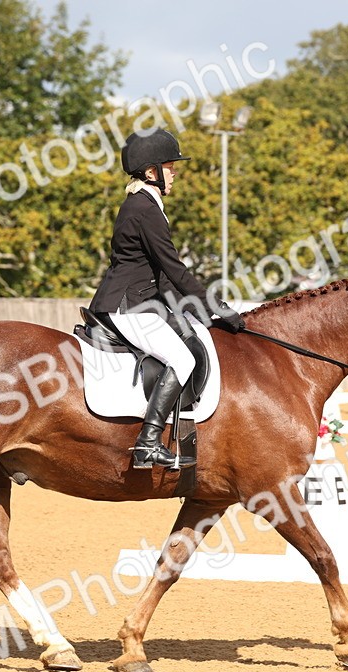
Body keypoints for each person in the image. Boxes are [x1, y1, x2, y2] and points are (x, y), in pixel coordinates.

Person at [89, 128, 245, 470]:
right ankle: (148, 442)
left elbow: (162, 277)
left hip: (138, 300)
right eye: (170, 167)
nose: (175, 172)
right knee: (183, 360)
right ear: (151, 172)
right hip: (127, 305)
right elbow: (175, 269)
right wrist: (219, 308)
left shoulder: (145, 204)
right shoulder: (144, 207)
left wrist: (197, 312)